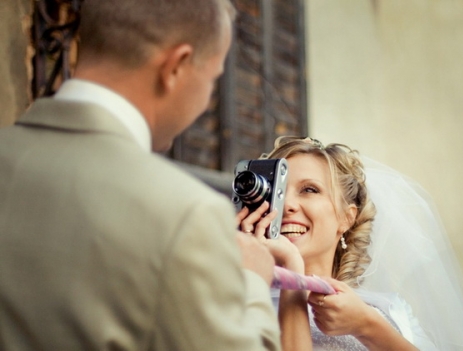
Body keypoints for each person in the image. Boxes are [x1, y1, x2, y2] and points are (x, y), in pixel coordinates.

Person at [0, 1, 282, 350]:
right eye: (212, 79)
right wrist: (252, 282)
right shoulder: (185, 214)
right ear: (176, 67)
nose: (207, 99)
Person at [237, 136, 463, 351]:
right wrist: (292, 272)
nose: (287, 205)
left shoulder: (386, 309)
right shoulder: (237, 304)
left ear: (347, 218)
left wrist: (367, 325)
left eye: (309, 190)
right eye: (277, 192)